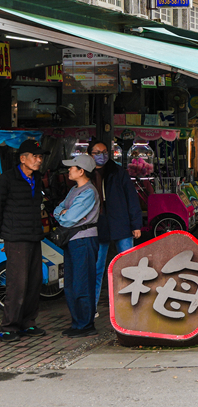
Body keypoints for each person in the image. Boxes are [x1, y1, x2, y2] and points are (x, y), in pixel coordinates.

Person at [0, 139, 50, 343]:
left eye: (40, 157)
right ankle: (8, 326)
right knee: (17, 284)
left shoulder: (37, 178)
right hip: (15, 237)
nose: (39, 160)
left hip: (34, 235)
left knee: (34, 282)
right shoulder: (7, 179)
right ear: (23, 159)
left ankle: (28, 323)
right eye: (35, 156)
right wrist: (2, 237)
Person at [89, 141, 143, 311]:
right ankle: (91, 308)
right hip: (98, 224)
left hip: (121, 223)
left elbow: (131, 198)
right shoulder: (86, 172)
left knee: (128, 266)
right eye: (97, 152)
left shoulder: (118, 171)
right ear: (90, 154)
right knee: (96, 268)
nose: (102, 155)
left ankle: (131, 306)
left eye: (104, 151)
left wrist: (136, 224)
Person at [53, 154, 100, 338]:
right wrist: (64, 213)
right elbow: (59, 210)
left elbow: (69, 218)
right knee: (71, 284)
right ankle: (78, 323)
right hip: (73, 240)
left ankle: (86, 324)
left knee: (82, 283)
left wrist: (65, 213)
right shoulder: (74, 190)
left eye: (72, 167)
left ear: (81, 171)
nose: (69, 170)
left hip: (84, 240)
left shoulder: (88, 192)